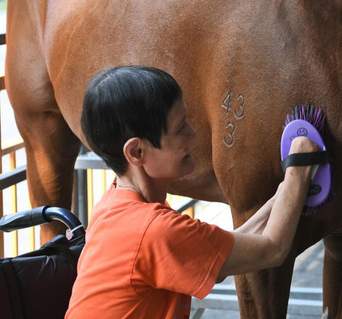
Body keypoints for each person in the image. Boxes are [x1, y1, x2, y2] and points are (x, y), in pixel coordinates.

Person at [66, 66, 319, 318]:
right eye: (179, 128)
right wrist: (300, 164)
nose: (193, 134)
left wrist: (285, 190)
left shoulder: (113, 205)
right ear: (136, 152)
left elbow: (218, 261)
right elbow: (272, 249)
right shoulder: (155, 231)